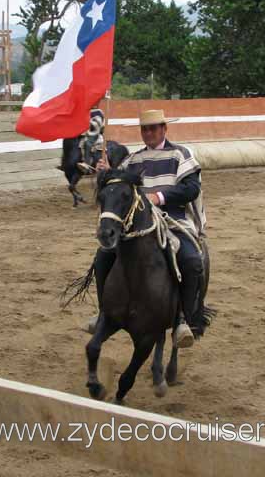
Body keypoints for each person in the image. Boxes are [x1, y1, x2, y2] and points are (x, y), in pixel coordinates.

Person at [95, 109, 207, 348]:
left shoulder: (181, 155)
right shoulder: (133, 161)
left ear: (164, 129)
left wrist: (160, 197)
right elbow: (115, 189)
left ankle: (183, 320)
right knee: (102, 257)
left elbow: (191, 189)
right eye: (145, 129)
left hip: (173, 219)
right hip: (138, 224)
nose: (149, 133)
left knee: (191, 260)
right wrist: (104, 175)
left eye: (153, 128)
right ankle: (103, 312)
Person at [77, 106, 105, 173]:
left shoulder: (98, 112)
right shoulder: (85, 111)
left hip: (94, 134)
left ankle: (87, 164)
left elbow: (101, 126)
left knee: (87, 143)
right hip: (86, 132)